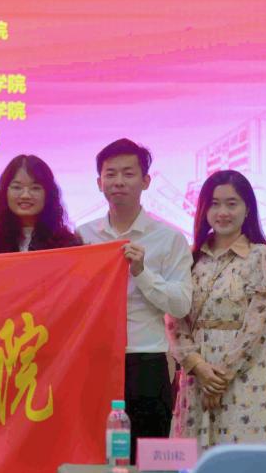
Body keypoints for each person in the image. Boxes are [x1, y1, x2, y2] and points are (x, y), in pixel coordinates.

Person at [77, 138, 192, 461]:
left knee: (149, 459)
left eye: (128, 174)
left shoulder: (169, 238)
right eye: (110, 174)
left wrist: (142, 272)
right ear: (99, 182)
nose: (118, 182)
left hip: (146, 361)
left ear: (146, 181)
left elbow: (181, 304)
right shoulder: (82, 236)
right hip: (94, 360)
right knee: (95, 457)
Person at [169, 170, 266, 449]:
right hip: (196, 376)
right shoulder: (190, 258)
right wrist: (199, 367)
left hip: (243, 379)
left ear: (247, 209)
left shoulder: (261, 256)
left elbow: (257, 328)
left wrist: (219, 378)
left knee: (242, 460)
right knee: (192, 458)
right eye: (214, 204)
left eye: (231, 203)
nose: (222, 212)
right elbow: (174, 319)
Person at [0, 154, 81, 253]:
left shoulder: (67, 244)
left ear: (48, 194)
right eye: (17, 187)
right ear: (4, 192)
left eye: (35, 188)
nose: (25, 195)